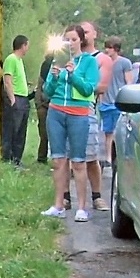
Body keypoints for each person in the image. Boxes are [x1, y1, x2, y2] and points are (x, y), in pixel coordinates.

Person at [40, 24, 100, 223]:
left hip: (78, 113)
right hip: (56, 112)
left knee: (78, 161)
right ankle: (58, 205)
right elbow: (47, 91)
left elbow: (88, 89)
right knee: (58, 160)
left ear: (81, 40)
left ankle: (82, 207)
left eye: (74, 39)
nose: (70, 43)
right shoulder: (57, 60)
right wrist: (55, 78)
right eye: (67, 39)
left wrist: (73, 75)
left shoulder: (89, 62)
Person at [73, 20, 110, 211]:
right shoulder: (68, 57)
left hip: (87, 110)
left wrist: (80, 82)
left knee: (91, 157)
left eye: (87, 32)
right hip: (66, 110)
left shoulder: (101, 59)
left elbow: (102, 86)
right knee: (63, 157)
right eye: (81, 32)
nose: (84, 35)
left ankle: (97, 196)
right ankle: (64, 197)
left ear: (95, 34)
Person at [100, 36, 135, 165]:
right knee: (108, 132)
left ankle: (121, 158)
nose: (107, 50)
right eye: (106, 47)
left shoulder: (124, 63)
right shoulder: (103, 63)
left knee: (119, 131)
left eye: (109, 48)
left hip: (118, 102)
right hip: (105, 102)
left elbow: (129, 81)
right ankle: (108, 157)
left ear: (116, 49)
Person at [1, 35, 31, 168]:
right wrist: (12, 99)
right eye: (27, 45)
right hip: (16, 98)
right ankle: (8, 158)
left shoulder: (19, 60)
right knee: (12, 129)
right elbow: (7, 80)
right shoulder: (11, 59)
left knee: (21, 131)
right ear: (23, 45)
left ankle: (17, 159)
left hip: (23, 98)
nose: (27, 49)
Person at [34, 53, 54, 164]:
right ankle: (42, 157)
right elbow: (39, 85)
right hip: (43, 104)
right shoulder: (45, 66)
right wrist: (39, 104)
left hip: (56, 103)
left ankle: (58, 157)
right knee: (44, 132)